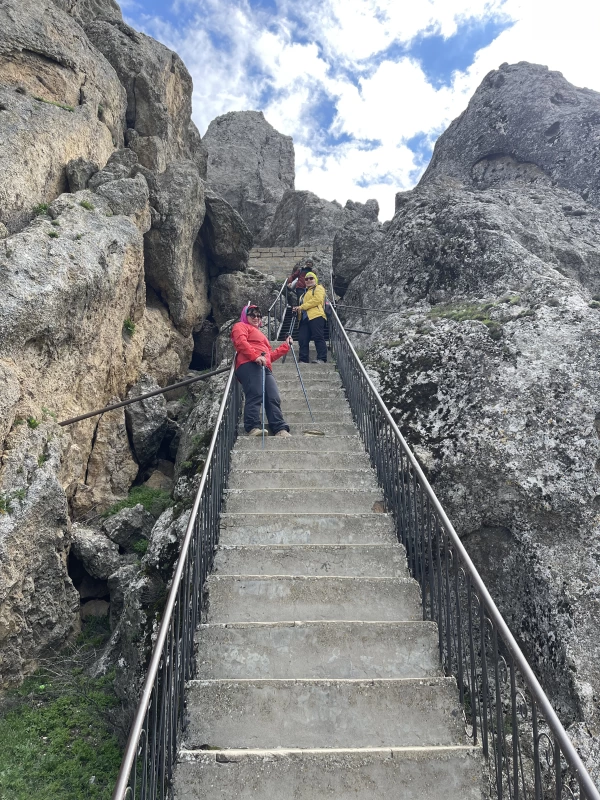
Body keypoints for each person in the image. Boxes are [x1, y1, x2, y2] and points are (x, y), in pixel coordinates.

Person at [231, 304, 293, 437]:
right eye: (252, 315)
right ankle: (252, 427)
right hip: (248, 363)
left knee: (273, 396)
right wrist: (255, 356)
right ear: (245, 316)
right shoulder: (240, 326)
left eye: (259, 315)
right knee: (255, 393)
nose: (256, 318)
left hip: (263, 365)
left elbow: (269, 355)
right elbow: (241, 342)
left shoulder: (260, 334)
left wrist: (285, 346)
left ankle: (279, 428)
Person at [292, 271, 327, 364]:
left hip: (316, 315)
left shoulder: (319, 288)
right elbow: (302, 306)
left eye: (311, 278)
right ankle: (303, 359)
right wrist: (297, 309)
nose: (308, 280)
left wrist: (301, 307)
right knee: (303, 339)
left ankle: (322, 358)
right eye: (306, 279)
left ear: (315, 279)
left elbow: (317, 300)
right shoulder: (303, 294)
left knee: (318, 336)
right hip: (304, 318)